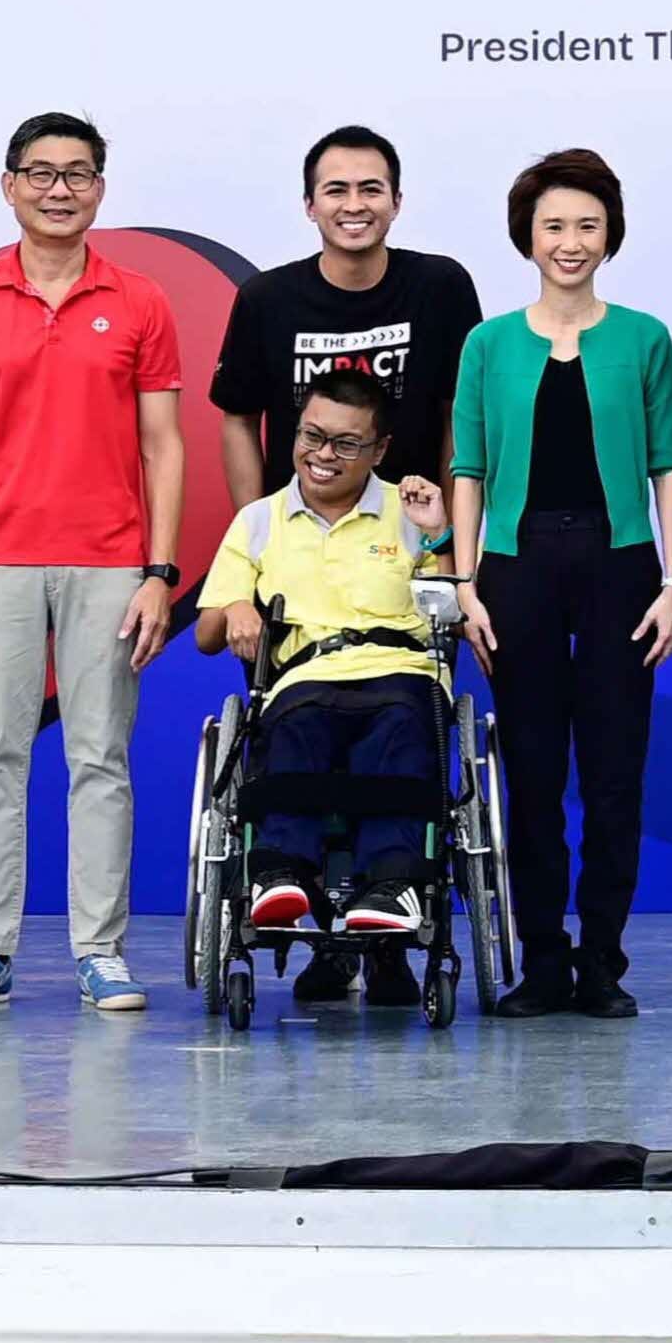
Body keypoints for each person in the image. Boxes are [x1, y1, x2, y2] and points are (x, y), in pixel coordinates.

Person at [0, 112, 189, 1014]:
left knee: (98, 756)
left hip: (111, 563)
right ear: (9, 186)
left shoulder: (140, 299)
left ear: (100, 188)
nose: (59, 189)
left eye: (77, 173)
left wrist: (159, 570)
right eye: (40, 173)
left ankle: (99, 951)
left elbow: (163, 445)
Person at [210, 125, 484, 1009]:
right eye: (337, 190)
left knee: (401, 731)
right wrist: (259, 531)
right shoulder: (267, 299)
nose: (354, 205)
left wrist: (444, 522)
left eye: (371, 189)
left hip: (403, 572)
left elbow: (455, 408)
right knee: (294, 733)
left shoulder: (439, 286)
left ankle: (389, 906)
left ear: (395, 200)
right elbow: (235, 415)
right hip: (303, 624)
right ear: (309, 204)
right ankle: (290, 891)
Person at [442, 148, 672, 1021]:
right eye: (554, 226)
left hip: (621, 565)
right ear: (527, 237)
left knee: (616, 774)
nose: (570, 242)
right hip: (516, 566)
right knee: (533, 774)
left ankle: (601, 964)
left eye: (586, 224)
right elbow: (467, 467)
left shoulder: (644, 337)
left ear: (609, 232)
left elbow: (665, 467)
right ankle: (541, 960)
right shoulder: (487, 342)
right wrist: (465, 580)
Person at [194, 372, 460, 948]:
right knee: (294, 732)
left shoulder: (410, 511)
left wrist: (438, 535)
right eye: (311, 436)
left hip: (402, 677)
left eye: (346, 444)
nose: (323, 456)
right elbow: (207, 635)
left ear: (379, 450)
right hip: (304, 679)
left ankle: (392, 884)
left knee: (400, 731)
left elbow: (449, 613)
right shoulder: (259, 520)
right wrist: (239, 604)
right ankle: (279, 875)